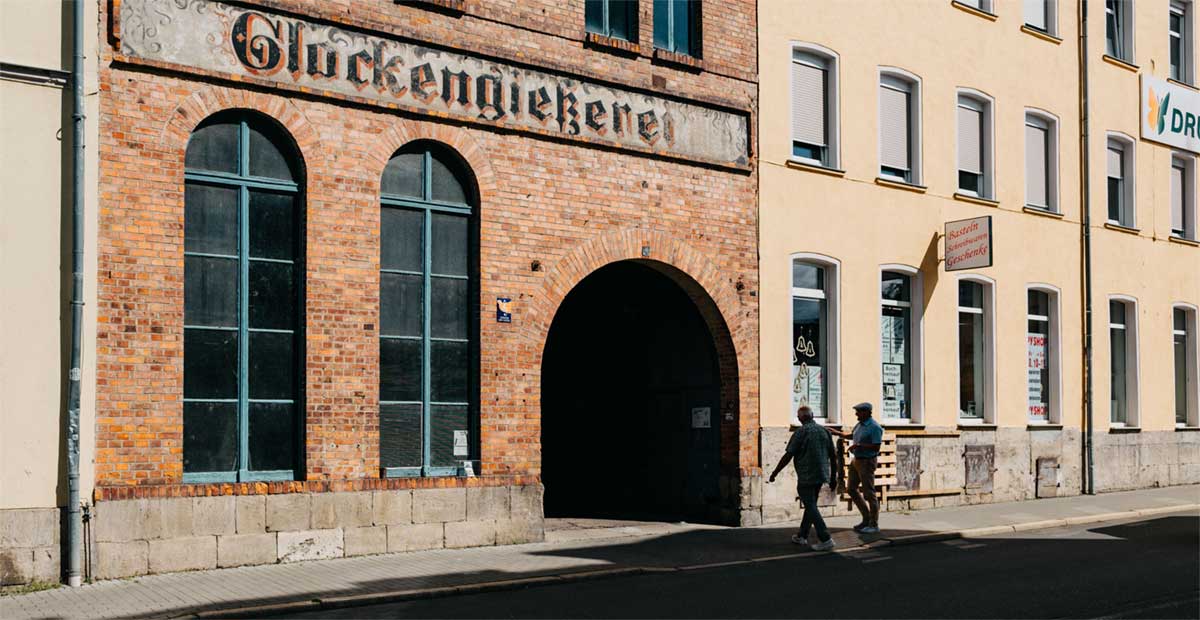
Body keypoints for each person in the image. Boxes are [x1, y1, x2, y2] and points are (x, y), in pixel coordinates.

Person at [768, 405, 840, 551]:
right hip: (821, 475)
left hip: (806, 476)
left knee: (810, 505)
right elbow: (833, 456)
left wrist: (775, 473)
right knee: (810, 504)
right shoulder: (824, 431)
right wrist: (833, 477)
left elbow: (788, 455)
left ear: (800, 418)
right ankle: (802, 535)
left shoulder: (800, 432)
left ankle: (825, 538)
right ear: (812, 416)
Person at [830, 402, 883, 534]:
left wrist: (859, 446)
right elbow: (852, 436)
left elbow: (876, 446)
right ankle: (866, 519)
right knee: (851, 489)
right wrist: (836, 432)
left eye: (858, 412)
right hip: (856, 461)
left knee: (869, 493)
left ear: (866, 412)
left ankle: (874, 524)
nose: (856, 414)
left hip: (867, 461)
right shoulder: (859, 425)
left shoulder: (874, 427)